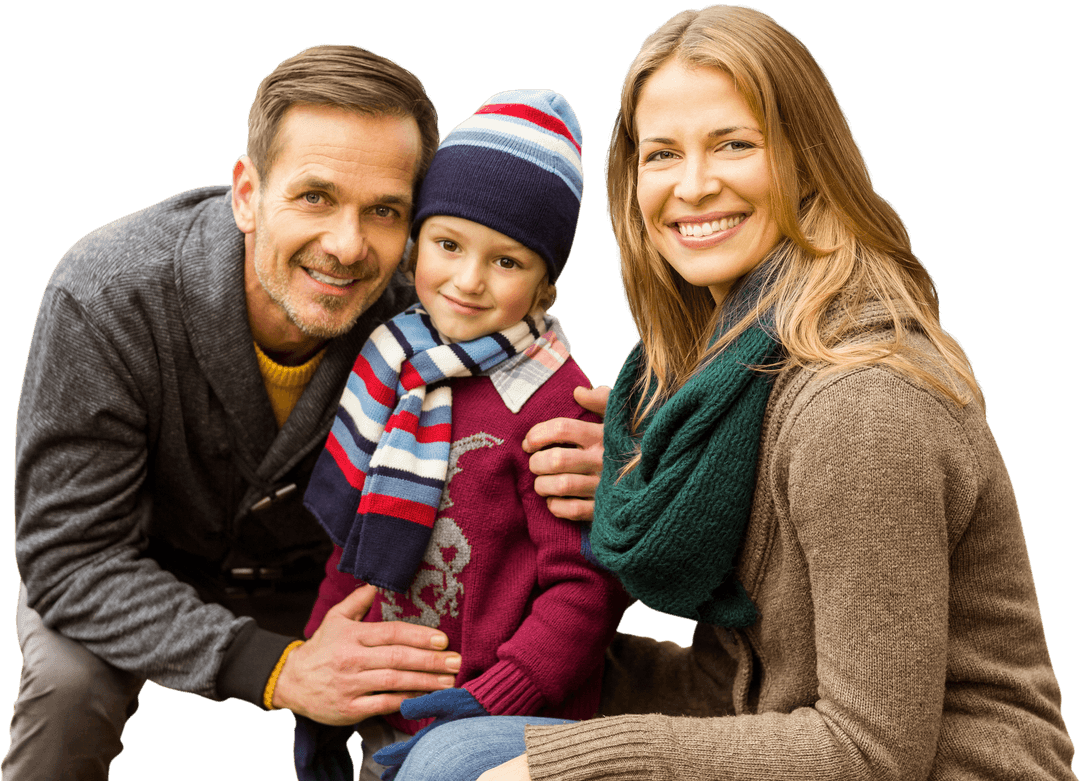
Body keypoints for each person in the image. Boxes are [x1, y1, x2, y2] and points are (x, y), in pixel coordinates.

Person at [384, 6, 1077, 780]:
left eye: (734, 145)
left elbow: (872, 753)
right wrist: (499, 654)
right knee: (446, 742)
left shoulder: (860, 405)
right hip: (797, 737)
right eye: (662, 154)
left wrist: (567, 763)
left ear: (807, 158)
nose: (694, 186)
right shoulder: (727, 379)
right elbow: (745, 682)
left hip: (945, 766)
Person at [7, 46, 606, 781]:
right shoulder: (106, 295)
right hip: (131, 565)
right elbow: (69, 559)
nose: (348, 246)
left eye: (384, 211)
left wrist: (619, 460)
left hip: (336, 569)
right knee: (68, 687)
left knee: (427, 669)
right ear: (247, 192)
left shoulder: (432, 319)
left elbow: (526, 367)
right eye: (315, 196)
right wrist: (281, 668)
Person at [291, 88, 629, 781]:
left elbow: (585, 590)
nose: (469, 280)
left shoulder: (555, 406)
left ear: (545, 285)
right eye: (449, 244)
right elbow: (356, 544)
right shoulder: (395, 364)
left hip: (502, 726)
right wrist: (314, 655)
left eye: (507, 261)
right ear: (417, 246)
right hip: (392, 706)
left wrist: (492, 697)